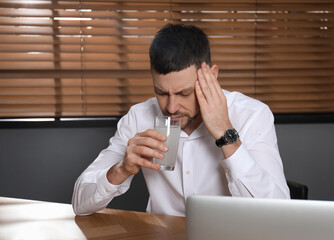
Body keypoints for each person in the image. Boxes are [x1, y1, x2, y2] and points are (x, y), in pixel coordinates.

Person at [72, 23, 290, 217]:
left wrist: (226, 135)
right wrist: (122, 168)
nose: (171, 107)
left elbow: (279, 216)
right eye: (161, 92)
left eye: (184, 93)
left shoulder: (252, 115)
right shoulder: (139, 117)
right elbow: (80, 204)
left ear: (211, 77)